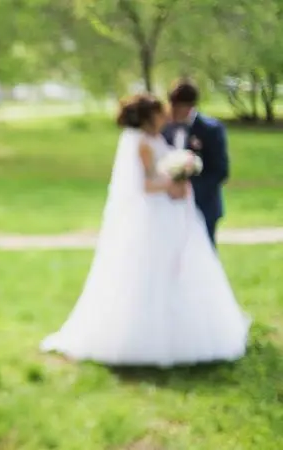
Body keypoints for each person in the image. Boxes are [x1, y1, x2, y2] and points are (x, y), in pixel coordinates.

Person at [40, 94, 250, 367]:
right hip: (153, 217)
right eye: (160, 113)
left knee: (179, 266)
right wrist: (174, 181)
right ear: (149, 117)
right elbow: (147, 185)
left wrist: (179, 178)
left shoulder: (154, 139)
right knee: (151, 270)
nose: (165, 117)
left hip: (168, 212)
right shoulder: (141, 143)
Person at [162, 79, 230, 246]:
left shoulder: (211, 130)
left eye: (177, 107)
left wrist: (189, 189)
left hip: (203, 205)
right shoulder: (165, 128)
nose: (173, 112)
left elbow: (220, 170)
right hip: (169, 205)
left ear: (189, 107)